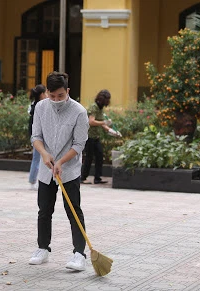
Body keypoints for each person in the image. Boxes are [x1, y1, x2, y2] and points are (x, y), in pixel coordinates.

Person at [29, 71, 90, 271]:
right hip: (47, 170)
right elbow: (35, 136)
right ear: (47, 92)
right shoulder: (40, 107)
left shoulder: (79, 111)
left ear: (68, 91)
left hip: (69, 170)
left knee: (74, 211)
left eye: (60, 96)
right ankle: (43, 248)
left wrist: (62, 161)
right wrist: (45, 155)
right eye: (52, 96)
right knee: (44, 210)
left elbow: (79, 143)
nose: (56, 100)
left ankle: (79, 253)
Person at [81, 89, 120, 184]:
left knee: (99, 156)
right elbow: (91, 121)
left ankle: (97, 178)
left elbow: (102, 124)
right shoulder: (94, 107)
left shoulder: (100, 109)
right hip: (89, 136)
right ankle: (82, 177)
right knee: (89, 157)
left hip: (96, 137)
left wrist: (112, 131)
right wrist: (104, 122)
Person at [28, 84, 48, 190]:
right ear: (41, 94)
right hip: (38, 136)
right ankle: (33, 181)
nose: (47, 95)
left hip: (35, 135)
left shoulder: (33, 105)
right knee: (37, 158)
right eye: (45, 93)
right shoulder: (40, 106)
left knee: (37, 158)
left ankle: (33, 180)